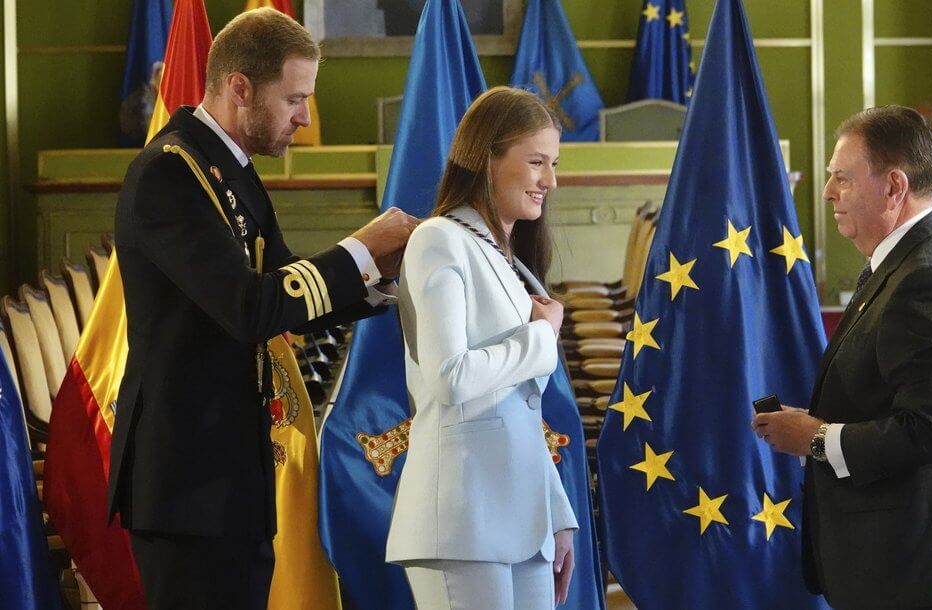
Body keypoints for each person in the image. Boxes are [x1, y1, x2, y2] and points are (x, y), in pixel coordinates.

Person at [106, 8, 419, 610]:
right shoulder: (170, 174)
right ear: (240, 88)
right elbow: (250, 308)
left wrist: (385, 278)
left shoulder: (234, 170)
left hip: (233, 471)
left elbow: (289, 299)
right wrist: (362, 246)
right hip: (184, 479)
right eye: (295, 98)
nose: (304, 116)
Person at [753, 105, 932, 609]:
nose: (827, 193)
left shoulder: (926, 279)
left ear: (893, 186)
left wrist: (816, 439)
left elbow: (928, 430)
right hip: (890, 559)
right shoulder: (906, 262)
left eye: (842, 178)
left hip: (909, 568)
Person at [386, 86, 578, 609]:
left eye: (553, 163)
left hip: (524, 517)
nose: (550, 181)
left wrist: (557, 514)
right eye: (536, 162)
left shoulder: (510, 259)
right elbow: (451, 377)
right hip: (461, 517)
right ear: (485, 158)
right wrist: (541, 337)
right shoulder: (439, 238)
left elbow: (521, 407)